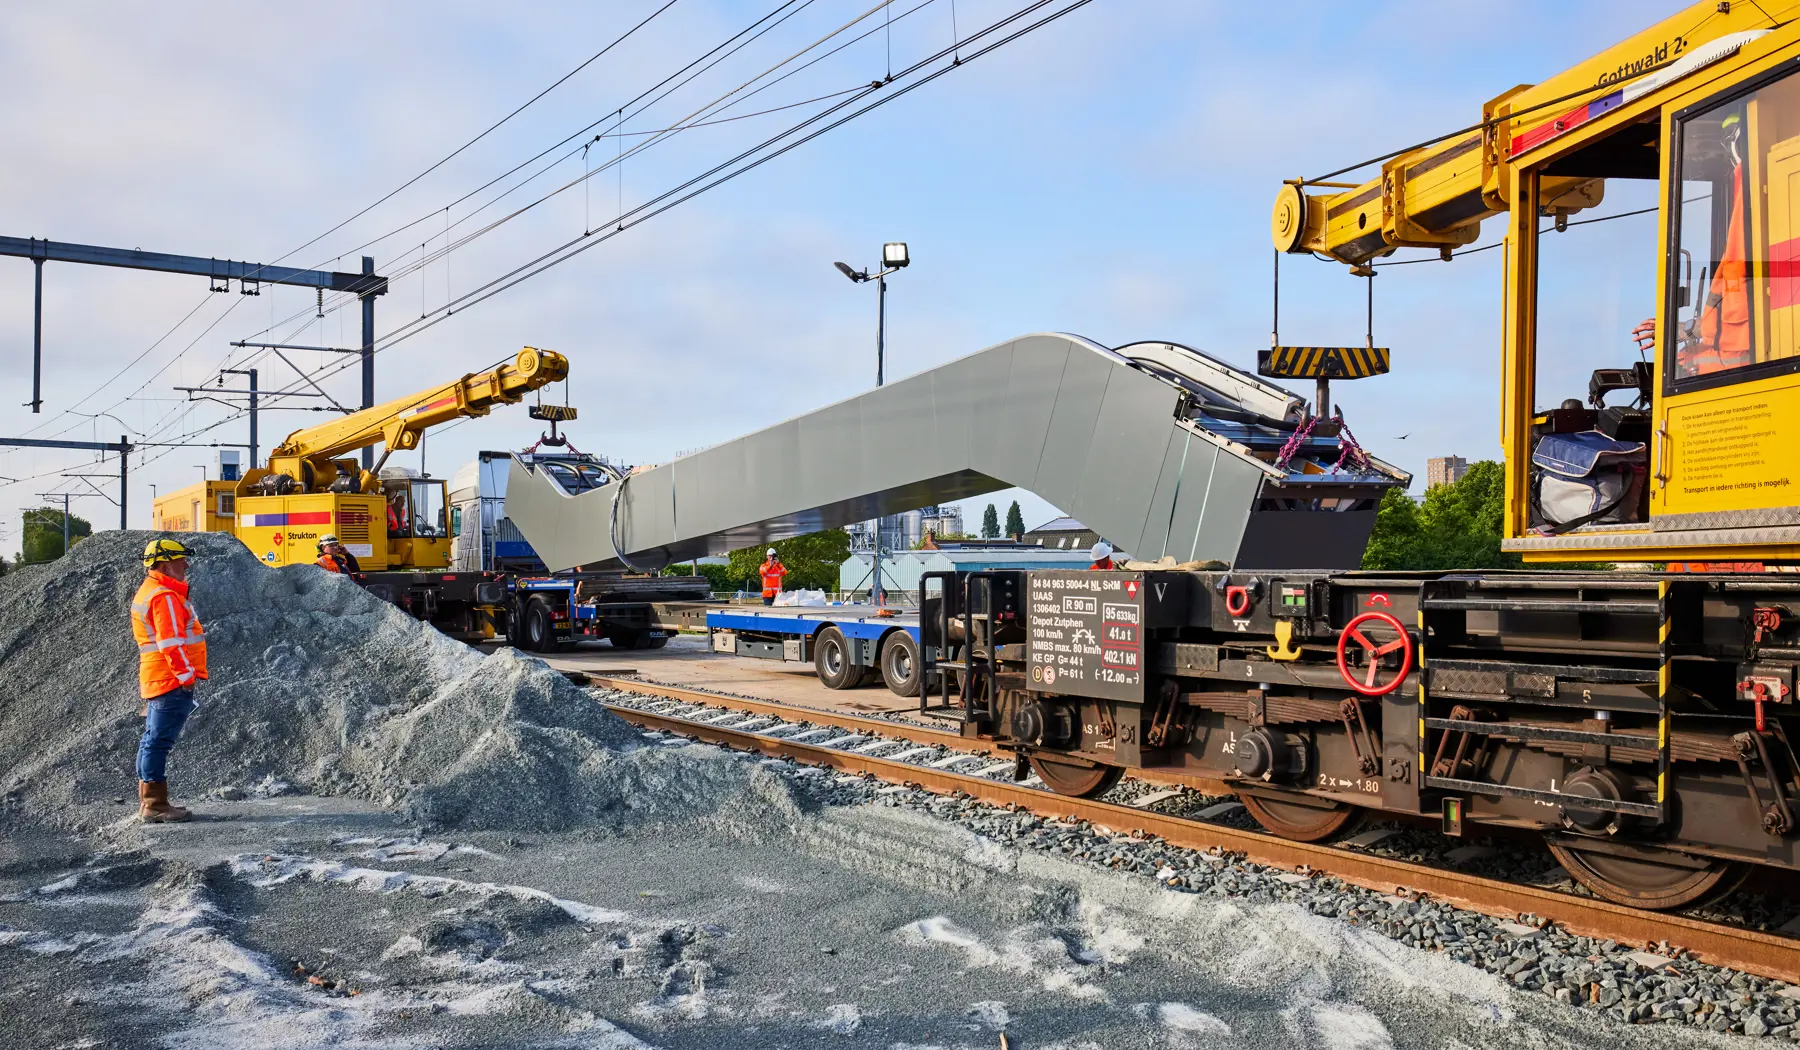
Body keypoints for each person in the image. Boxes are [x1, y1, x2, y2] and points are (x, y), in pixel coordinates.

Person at [131, 539, 208, 823]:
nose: (186, 565)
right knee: (158, 742)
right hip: (170, 678)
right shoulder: (163, 596)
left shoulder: (151, 590)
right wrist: (186, 677)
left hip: (157, 676)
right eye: (180, 560)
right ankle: (154, 805)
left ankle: (150, 801)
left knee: (152, 740)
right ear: (164, 564)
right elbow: (171, 643)